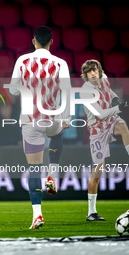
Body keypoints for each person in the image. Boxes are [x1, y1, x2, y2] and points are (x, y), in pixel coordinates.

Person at [8, 26, 71, 229]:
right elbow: (67, 92)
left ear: (33, 41)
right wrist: (67, 117)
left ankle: (37, 216)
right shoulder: (61, 63)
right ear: (51, 42)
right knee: (58, 134)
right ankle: (53, 173)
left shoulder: (22, 61)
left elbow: (14, 90)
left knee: (34, 168)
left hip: (30, 120)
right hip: (53, 118)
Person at [79, 60, 129, 221]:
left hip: (111, 121)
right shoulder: (85, 92)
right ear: (85, 75)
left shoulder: (105, 78)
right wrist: (119, 107)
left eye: (95, 70)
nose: (93, 73)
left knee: (122, 125)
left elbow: (111, 93)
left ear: (99, 71)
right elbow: (100, 114)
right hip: (97, 130)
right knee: (98, 172)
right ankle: (91, 212)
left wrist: (115, 98)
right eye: (89, 71)